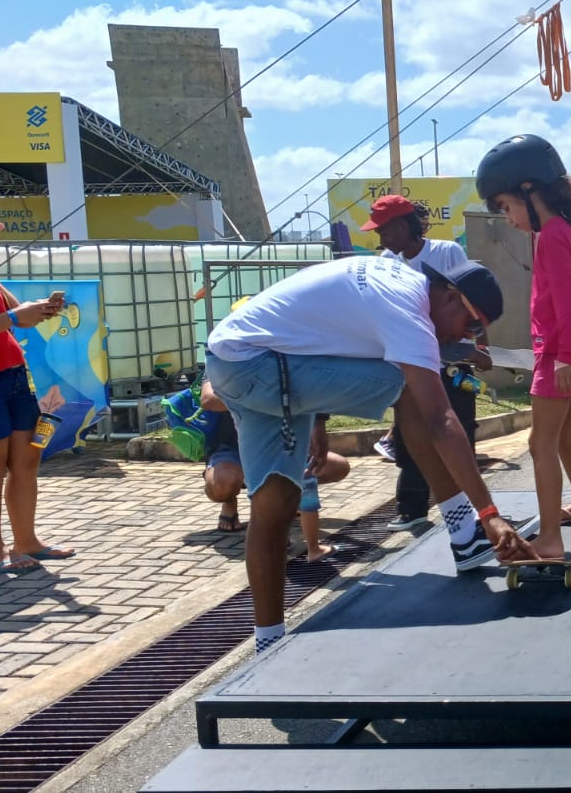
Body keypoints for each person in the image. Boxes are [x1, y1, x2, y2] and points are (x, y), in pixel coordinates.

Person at [204, 253, 525, 653]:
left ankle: (267, 644)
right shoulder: (407, 309)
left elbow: (318, 330)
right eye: (472, 325)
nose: (468, 336)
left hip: (235, 359)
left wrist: (316, 419)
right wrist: (489, 515)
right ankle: (465, 532)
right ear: (449, 295)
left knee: (276, 501)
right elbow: (440, 420)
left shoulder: (396, 282)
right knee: (409, 386)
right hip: (264, 367)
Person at [475, 134, 571, 565]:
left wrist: (568, 357)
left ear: (530, 190)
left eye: (507, 206)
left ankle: (551, 540)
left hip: (560, 355)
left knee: (540, 443)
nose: (508, 217)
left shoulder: (553, 236)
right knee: (562, 435)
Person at [362, 194, 489, 533]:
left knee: (457, 429)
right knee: (411, 433)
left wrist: (478, 347)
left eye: (385, 231)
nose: (381, 239)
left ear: (404, 226)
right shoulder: (388, 261)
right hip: (412, 359)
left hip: (453, 359)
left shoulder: (446, 252)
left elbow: (469, 301)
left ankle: (472, 512)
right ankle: (412, 509)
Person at [0, 201, 76, 577]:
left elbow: (19, 319)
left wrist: (44, 309)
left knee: (26, 461)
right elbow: (8, 320)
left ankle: (26, 541)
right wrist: (14, 317)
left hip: (14, 377)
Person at [198, 381, 350, 562]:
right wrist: (270, 395)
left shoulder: (284, 359)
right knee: (267, 490)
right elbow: (208, 399)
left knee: (308, 482)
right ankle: (234, 504)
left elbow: (311, 390)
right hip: (240, 446)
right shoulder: (227, 361)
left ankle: (308, 541)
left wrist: (317, 427)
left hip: (283, 442)